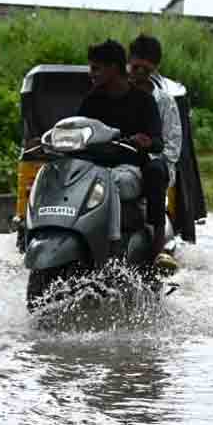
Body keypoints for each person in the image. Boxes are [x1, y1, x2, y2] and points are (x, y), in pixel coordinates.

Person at [77, 39, 168, 261]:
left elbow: (158, 142)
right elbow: (76, 129)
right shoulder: (91, 101)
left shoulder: (145, 102)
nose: (91, 74)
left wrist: (145, 142)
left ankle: (117, 246)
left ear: (113, 69)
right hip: (91, 168)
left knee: (111, 183)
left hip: (129, 169)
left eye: (96, 68)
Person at [128, 34, 183, 269]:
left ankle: (157, 247)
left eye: (145, 67)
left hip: (155, 164)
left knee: (155, 172)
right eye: (135, 65)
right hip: (120, 159)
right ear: (129, 62)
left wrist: (149, 152)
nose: (139, 71)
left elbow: (172, 148)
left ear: (155, 68)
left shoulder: (165, 102)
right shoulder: (116, 93)